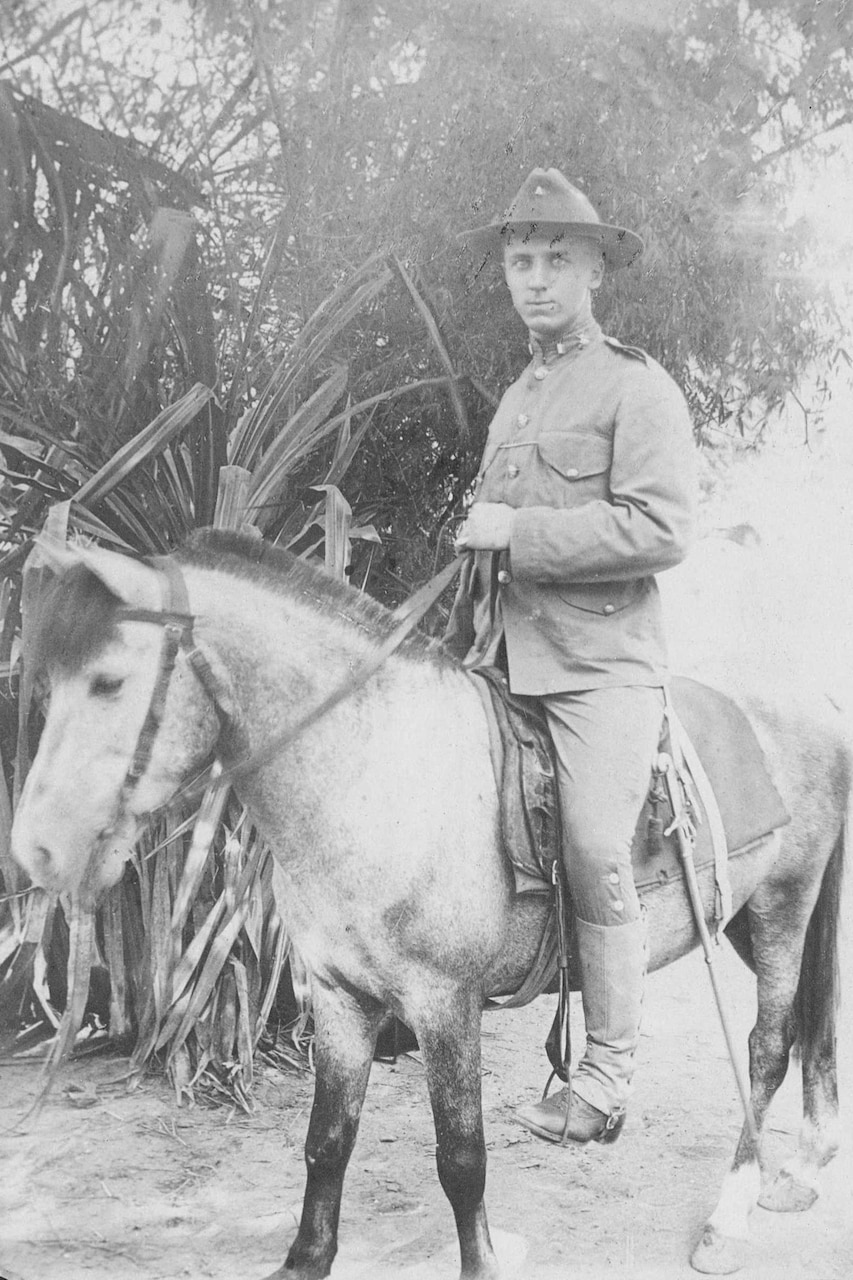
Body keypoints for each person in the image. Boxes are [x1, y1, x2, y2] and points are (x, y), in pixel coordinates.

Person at [447, 167, 697, 1144]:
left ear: (593, 270)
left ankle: (605, 1075)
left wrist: (518, 529)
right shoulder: (517, 395)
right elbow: (491, 529)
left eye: (556, 259)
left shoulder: (636, 386)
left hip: (602, 664)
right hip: (503, 653)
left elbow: (662, 527)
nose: (536, 278)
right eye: (520, 260)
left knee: (595, 848)